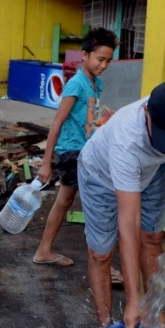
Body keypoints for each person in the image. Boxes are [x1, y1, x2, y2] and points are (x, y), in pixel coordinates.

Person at [78, 79, 165, 328]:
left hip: (151, 170)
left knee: (152, 237)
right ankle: (107, 327)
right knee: (101, 252)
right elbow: (128, 223)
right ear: (146, 111)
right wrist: (132, 297)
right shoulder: (127, 140)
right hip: (99, 176)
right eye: (163, 136)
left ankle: (154, 314)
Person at [33, 28, 122, 280]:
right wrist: (46, 164)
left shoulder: (95, 83)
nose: (104, 65)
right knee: (100, 205)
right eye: (100, 59)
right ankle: (105, 267)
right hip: (73, 152)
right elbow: (57, 123)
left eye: (108, 60)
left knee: (64, 202)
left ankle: (44, 250)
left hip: (85, 151)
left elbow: (91, 116)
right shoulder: (77, 83)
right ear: (84, 55)